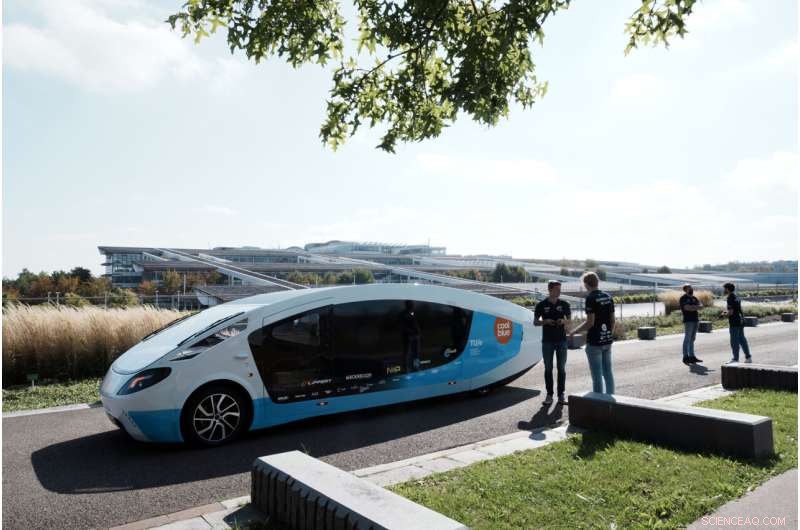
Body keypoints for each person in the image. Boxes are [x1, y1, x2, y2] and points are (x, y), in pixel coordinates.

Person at [569, 271, 615, 394]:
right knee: (608, 373)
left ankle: (599, 404)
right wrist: (609, 335)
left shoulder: (590, 298)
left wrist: (574, 331)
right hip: (607, 340)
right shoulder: (608, 297)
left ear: (586, 284)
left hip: (595, 342)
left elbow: (590, 323)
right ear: (597, 282)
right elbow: (612, 321)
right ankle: (611, 401)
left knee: (597, 376)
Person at [533, 281, 571, 405]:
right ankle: (549, 395)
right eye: (557, 289)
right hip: (547, 342)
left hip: (561, 341)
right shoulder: (541, 305)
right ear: (550, 290)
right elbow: (535, 322)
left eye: (560, 289)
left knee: (561, 369)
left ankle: (561, 395)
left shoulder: (564, 304)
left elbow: (569, 320)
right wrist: (546, 321)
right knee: (548, 369)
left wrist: (563, 321)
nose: (559, 292)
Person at [723, 282, 752, 364]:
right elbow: (736, 309)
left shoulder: (730, 298)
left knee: (734, 341)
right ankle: (748, 357)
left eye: (724, 289)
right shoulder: (736, 297)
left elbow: (731, 312)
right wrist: (727, 312)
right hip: (741, 320)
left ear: (727, 289)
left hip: (734, 322)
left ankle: (735, 358)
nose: (724, 290)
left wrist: (724, 315)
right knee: (742, 340)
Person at [679, 284, 703, 365]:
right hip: (688, 320)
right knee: (687, 338)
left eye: (691, 287)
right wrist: (695, 307)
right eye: (690, 288)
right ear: (686, 289)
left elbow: (701, 306)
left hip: (695, 320)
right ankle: (685, 357)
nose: (692, 288)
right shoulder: (683, 298)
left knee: (692, 339)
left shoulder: (694, 298)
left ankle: (692, 356)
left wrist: (693, 307)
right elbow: (686, 308)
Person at [401, 300, 422, 372]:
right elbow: (402, 326)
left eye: (412, 304)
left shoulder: (414, 313)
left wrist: (418, 332)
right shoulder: (403, 314)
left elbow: (416, 323)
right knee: (407, 353)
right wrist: (410, 331)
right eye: (411, 304)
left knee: (416, 353)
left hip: (416, 336)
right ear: (407, 305)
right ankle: (406, 368)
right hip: (408, 336)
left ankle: (416, 367)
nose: (412, 305)